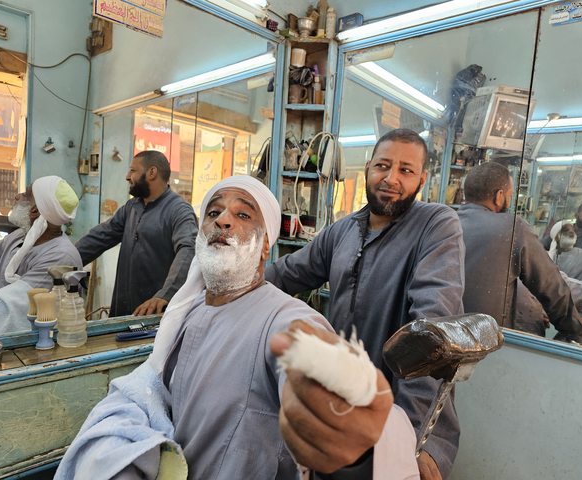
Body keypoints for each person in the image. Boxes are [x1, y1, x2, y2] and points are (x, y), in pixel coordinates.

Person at [55, 176, 418, 480]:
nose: (223, 220)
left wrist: (350, 439)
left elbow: (313, 364)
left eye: (243, 214)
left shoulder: (285, 318)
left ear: (265, 246)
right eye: (213, 213)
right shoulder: (191, 313)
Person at [266, 128, 465, 480]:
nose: (391, 178)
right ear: (369, 168)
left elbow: (431, 329)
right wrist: (226, 279)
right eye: (383, 166)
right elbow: (286, 274)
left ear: (421, 180)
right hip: (345, 407)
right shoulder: (342, 231)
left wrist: (410, 436)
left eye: (405, 170)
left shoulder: (436, 225)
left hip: (410, 416)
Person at [458, 162, 582, 341]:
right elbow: (550, 286)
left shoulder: (445, 223)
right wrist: (578, 327)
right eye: (509, 195)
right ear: (499, 196)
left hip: (443, 335)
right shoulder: (512, 228)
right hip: (484, 341)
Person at [76, 150, 198, 317]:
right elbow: (101, 237)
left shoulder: (179, 211)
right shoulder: (132, 207)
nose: (127, 176)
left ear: (152, 172)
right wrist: (67, 260)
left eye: (133, 170)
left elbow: (188, 249)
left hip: (152, 315)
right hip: (122, 312)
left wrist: (165, 294)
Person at [0, 176, 82, 336]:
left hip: (36, 342)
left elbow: (1, 312)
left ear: (34, 211)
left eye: (25, 195)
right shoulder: (22, 235)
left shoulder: (59, 258)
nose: (17, 196)